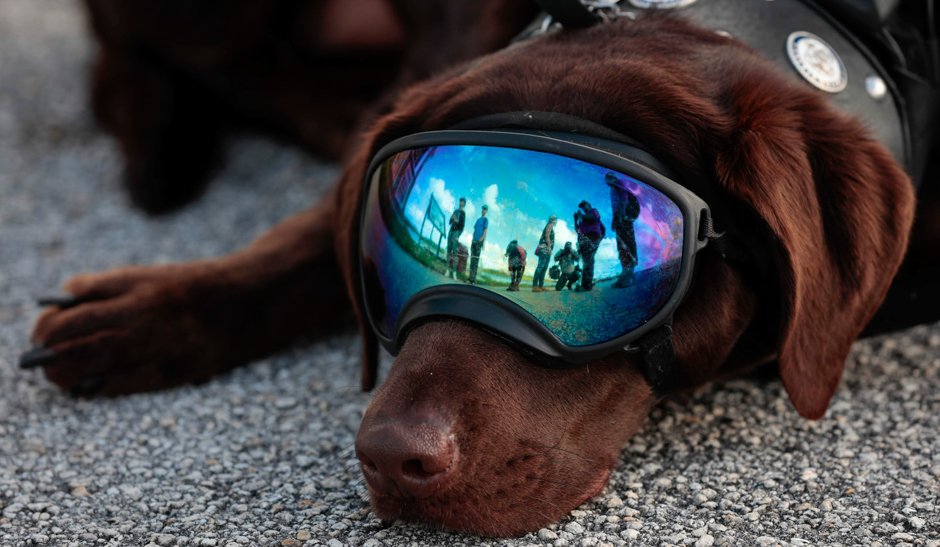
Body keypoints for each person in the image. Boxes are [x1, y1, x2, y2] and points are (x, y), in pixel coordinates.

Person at [606, 173, 640, 288]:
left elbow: (624, 197)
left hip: (623, 217)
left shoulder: (618, 183)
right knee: (622, 245)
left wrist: (620, 214)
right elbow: (615, 206)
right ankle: (626, 274)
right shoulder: (613, 188)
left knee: (627, 244)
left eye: (609, 177)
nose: (607, 180)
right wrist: (614, 219)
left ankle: (628, 276)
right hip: (619, 217)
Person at [573, 200, 604, 291]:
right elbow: (577, 230)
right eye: (581, 206)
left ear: (589, 205)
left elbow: (593, 218)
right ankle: (586, 283)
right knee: (586, 260)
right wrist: (575, 220)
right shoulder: (582, 219)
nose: (583, 207)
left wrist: (580, 215)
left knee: (588, 259)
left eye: (584, 205)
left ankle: (586, 285)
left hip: (592, 236)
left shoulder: (594, 210)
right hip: (584, 239)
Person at [532, 215, 557, 292]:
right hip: (544, 249)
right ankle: (534, 286)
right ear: (552, 220)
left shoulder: (551, 227)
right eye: (555, 220)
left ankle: (541, 285)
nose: (556, 221)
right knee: (540, 267)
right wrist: (549, 248)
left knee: (544, 267)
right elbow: (547, 236)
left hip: (547, 250)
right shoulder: (549, 226)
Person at [467, 205, 488, 284]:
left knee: (475, 261)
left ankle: (473, 280)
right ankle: (469, 278)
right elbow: (474, 230)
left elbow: (485, 232)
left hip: (479, 242)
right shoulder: (478, 220)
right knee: (472, 260)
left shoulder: (486, 220)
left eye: (485, 209)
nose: (483, 210)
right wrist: (473, 239)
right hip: (474, 241)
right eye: (483, 209)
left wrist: (480, 241)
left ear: (486, 211)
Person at [446, 198, 466, 279]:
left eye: (462, 202)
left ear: (464, 204)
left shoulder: (463, 213)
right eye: (460, 201)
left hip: (456, 232)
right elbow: (449, 221)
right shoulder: (455, 211)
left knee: (454, 252)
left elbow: (462, 226)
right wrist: (452, 218)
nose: (461, 202)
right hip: (451, 231)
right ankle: (447, 270)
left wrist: (458, 235)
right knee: (448, 251)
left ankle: (454, 272)